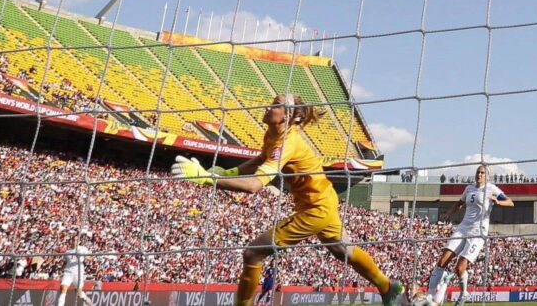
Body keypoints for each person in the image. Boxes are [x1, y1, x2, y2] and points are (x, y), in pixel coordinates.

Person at [171, 93, 405, 306]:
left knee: (253, 253)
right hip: (323, 199)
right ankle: (387, 287)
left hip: (316, 208)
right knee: (343, 250)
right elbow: (259, 160)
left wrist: (206, 179)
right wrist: (228, 173)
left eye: (275, 104)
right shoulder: (273, 135)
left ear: (289, 117)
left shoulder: (286, 143)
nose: (268, 105)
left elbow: (254, 186)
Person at [418, 165, 513, 306]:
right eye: (478, 172)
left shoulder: (492, 188)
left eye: (482, 173)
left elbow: (510, 202)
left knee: (459, 268)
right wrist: (448, 214)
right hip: (462, 228)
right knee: (442, 261)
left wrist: (498, 201)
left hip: (478, 232)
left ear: (487, 176)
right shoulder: (469, 188)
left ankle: (463, 294)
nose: (479, 175)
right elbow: (460, 203)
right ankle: (430, 296)